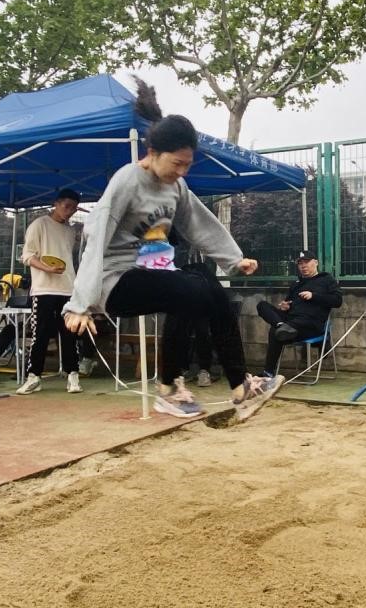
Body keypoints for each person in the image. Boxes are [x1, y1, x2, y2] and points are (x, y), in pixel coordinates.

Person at [63, 77, 283, 423]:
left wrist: (233, 259)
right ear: (152, 153)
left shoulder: (175, 187)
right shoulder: (127, 181)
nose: (181, 171)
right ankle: (168, 388)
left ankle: (241, 386)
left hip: (148, 273)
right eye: (176, 164)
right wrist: (79, 304)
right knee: (189, 290)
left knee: (209, 287)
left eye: (187, 165)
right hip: (113, 281)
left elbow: (199, 222)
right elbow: (96, 236)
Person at [15, 189, 84, 395]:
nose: (69, 211)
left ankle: (73, 375)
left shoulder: (70, 231)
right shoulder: (39, 225)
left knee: (70, 334)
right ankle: (34, 377)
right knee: (41, 334)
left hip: (68, 289)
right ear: (56, 203)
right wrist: (47, 269)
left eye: (73, 208)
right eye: (66, 206)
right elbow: (27, 256)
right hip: (43, 289)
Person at [256, 249, 342, 377]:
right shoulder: (296, 284)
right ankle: (281, 326)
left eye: (306, 262)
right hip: (291, 324)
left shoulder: (326, 279)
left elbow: (337, 301)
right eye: (300, 263)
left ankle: (268, 371)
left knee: (275, 332)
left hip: (310, 324)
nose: (303, 266)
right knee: (262, 305)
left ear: (316, 262)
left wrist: (313, 296)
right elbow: (289, 304)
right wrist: (285, 306)